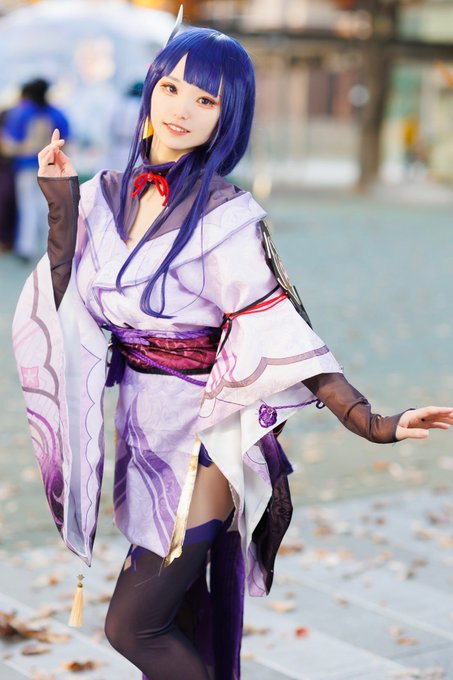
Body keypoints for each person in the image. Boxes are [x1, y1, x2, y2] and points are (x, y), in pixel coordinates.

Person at [12, 28, 453, 680]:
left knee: (133, 626)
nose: (181, 109)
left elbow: (277, 325)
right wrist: (60, 206)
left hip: (206, 440)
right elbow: (64, 302)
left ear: (228, 116)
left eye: (206, 100)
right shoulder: (100, 196)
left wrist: (371, 421)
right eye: (170, 88)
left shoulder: (223, 217)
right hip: (141, 431)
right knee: (180, 621)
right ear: (150, 90)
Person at [2, 78, 70, 261]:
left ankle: (26, 247)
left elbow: (8, 143)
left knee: (27, 206)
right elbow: (67, 139)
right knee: (48, 206)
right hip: (50, 166)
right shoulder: (56, 113)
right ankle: (50, 247)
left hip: (26, 166)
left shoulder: (20, 112)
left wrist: (23, 149)